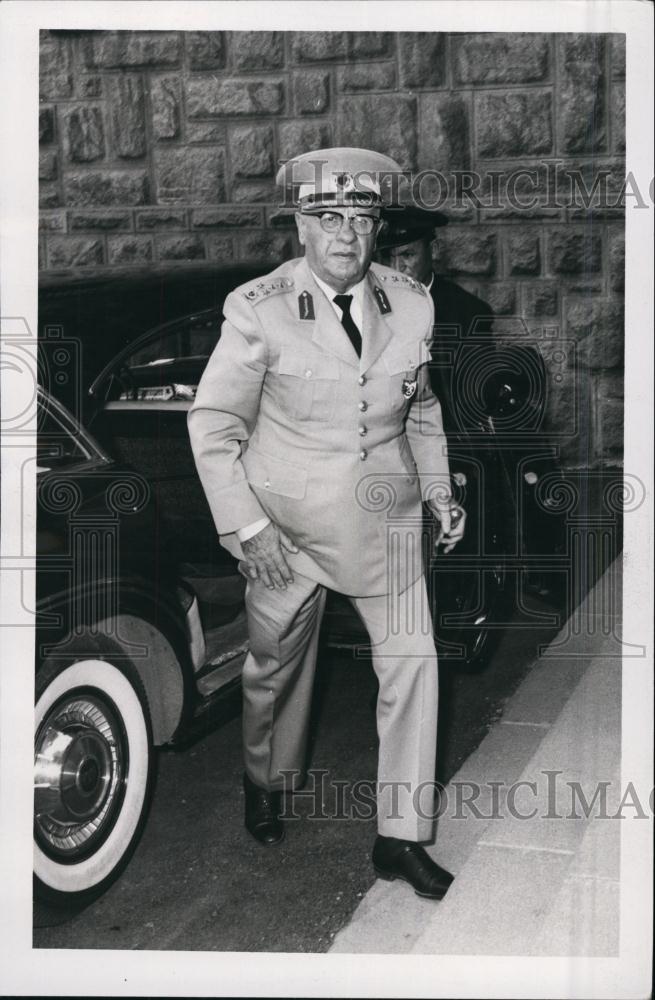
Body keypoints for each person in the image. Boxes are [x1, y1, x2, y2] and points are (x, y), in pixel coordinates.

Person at [188, 148, 465, 900]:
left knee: (415, 668)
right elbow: (213, 425)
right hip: (289, 533)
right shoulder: (259, 308)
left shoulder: (410, 302)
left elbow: (422, 406)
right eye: (326, 216)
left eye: (360, 217)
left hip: (388, 523)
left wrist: (438, 493)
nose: (344, 234)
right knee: (271, 669)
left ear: (376, 226)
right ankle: (265, 782)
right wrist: (249, 531)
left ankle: (399, 838)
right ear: (299, 227)